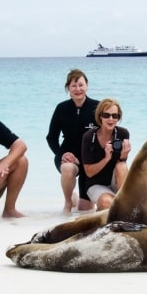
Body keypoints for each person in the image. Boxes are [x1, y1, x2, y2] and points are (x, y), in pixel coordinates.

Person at [46, 69, 99, 213]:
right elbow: (51, 137)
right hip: (68, 155)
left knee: (86, 210)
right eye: (74, 86)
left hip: (90, 160)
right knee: (68, 168)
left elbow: (107, 134)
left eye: (81, 85)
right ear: (68, 88)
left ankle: (76, 199)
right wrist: (61, 154)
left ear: (87, 86)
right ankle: (68, 202)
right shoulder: (62, 108)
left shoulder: (98, 107)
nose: (78, 89)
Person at [81, 98, 131, 211]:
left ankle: (125, 204)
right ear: (100, 117)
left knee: (122, 166)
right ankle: (116, 207)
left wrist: (123, 156)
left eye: (115, 116)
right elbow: (89, 173)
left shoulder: (123, 133)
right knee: (107, 203)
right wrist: (106, 158)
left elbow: (121, 166)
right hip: (95, 184)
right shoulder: (89, 137)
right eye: (106, 115)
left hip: (116, 182)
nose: (111, 119)